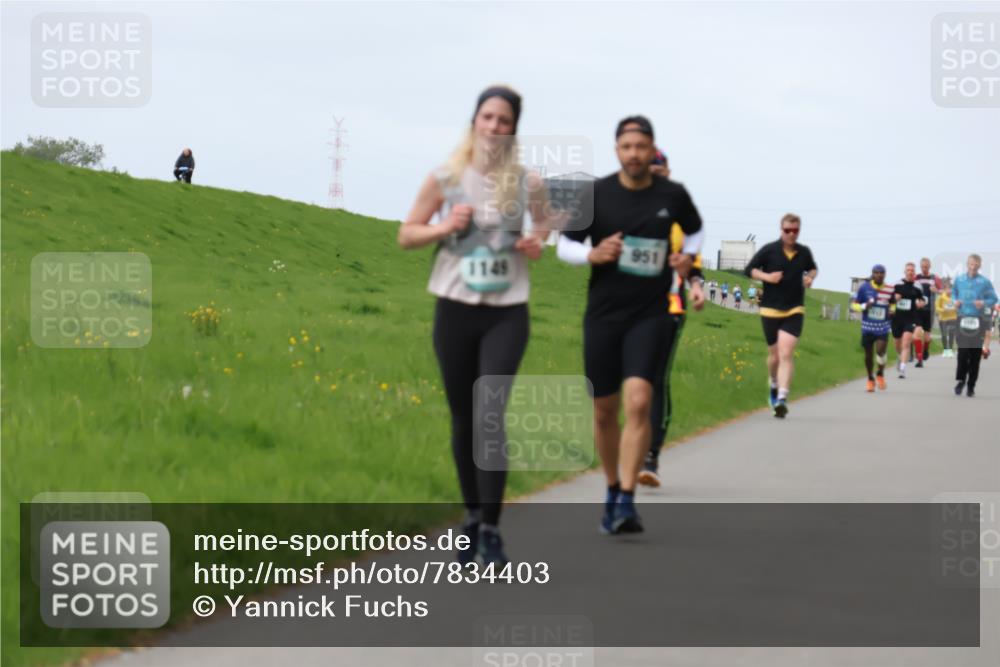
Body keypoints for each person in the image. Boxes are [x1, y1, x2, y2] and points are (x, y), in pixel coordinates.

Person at [398, 85, 552, 565]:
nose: (494, 127)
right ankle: (470, 517)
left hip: (507, 311)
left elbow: (547, 225)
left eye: (503, 120)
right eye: (487, 117)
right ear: (474, 122)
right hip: (454, 309)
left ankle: (490, 529)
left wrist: (535, 241)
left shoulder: (527, 182)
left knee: (489, 413)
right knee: (464, 418)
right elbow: (407, 234)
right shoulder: (446, 177)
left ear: (513, 129)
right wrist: (443, 227)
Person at [557, 115, 703, 534]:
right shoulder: (597, 193)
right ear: (616, 150)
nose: (634, 154)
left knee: (638, 400)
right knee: (604, 410)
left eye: (641, 147)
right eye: (626, 147)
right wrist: (592, 254)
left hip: (651, 313)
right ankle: (611, 487)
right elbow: (564, 244)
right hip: (603, 314)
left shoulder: (672, 195)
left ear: (651, 147)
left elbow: (695, 231)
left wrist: (687, 259)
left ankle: (625, 499)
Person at [744, 213, 818, 418]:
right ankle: (774, 384)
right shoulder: (770, 250)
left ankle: (783, 398)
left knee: (786, 352)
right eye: (787, 231)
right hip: (770, 309)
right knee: (774, 355)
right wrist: (767, 276)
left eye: (795, 231)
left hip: (794, 309)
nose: (791, 235)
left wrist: (810, 278)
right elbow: (749, 270)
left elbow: (813, 268)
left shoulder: (803, 253)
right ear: (781, 229)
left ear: (799, 231)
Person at [952, 254, 998, 397]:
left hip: (978, 319)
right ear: (967, 264)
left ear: (980, 266)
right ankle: (961, 380)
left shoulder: (985, 282)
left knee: (975, 355)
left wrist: (983, 303)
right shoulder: (959, 280)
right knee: (962, 353)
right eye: (971, 264)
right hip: (962, 318)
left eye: (976, 264)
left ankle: (971, 385)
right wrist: (955, 301)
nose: (973, 266)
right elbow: (954, 293)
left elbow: (994, 298)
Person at [851, 264, 894, 392]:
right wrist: (865, 306)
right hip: (868, 327)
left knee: (880, 351)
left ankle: (880, 374)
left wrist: (892, 311)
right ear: (873, 274)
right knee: (868, 355)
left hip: (883, 327)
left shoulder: (889, 289)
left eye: (882, 273)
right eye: (877, 272)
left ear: (885, 275)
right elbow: (854, 305)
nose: (879, 275)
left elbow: (893, 304)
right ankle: (870, 378)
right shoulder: (864, 288)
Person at [890, 263, 926, 379]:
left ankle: (903, 369)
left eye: (912, 270)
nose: (910, 272)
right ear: (904, 271)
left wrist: (922, 303)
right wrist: (894, 299)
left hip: (910, 318)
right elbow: (889, 299)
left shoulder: (918, 286)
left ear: (914, 273)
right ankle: (900, 357)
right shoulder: (896, 284)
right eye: (908, 270)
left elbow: (923, 299)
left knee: (906, 343)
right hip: (897, 318)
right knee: (897, 343)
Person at [913, 257, 942, 366]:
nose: (924, 268)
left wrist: (937, 290)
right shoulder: (917, 278)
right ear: (920, 267)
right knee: (917, 333)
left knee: (927, 335)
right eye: (922, 266)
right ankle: (919, 358)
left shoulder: (935, 278)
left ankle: (926, 350)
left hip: (929, 310)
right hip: (919, 309)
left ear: (930, 266)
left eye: (926, 266)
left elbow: (943, 291)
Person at [936, 280, 958, 358]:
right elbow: (937, 308)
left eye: (950, 289)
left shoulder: (955, 297)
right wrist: (943, 310)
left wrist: (956, 308)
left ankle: (950, 350)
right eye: (947, 289)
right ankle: (945, 350)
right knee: (944, 334)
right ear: (944, 289)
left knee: (951, 334)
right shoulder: (941, 297)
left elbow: (959, 307)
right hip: (943, 318)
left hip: (953, 318)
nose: (949, 290)